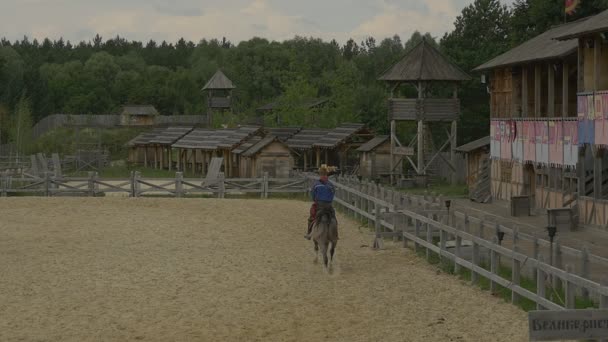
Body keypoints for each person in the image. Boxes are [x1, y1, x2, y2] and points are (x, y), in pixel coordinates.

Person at [305, 165, 336, 240]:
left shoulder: (316, 184)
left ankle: (309, 233)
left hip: (319, 205)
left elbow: (313, 194)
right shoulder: (331, 185)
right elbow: (333, 194)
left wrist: (315, 200)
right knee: (333, 217)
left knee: (311, 217)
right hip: (329, 205)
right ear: (327, 175)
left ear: (320, 175)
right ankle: (335, 233)